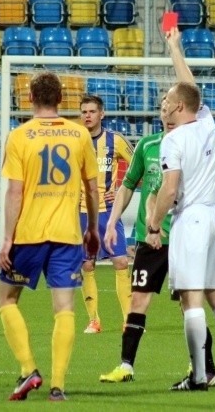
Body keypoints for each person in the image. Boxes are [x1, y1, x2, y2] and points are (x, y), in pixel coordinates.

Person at [98, 104, 215, 389]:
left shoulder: (214, 150)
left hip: (194, 233)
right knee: (174, 299)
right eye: (162, 108)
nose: (166, 113)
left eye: (171, 106)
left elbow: (167, 191)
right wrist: (120, 223)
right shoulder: (149, 146)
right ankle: (130, 364)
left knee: (211, 300)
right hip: (165, 237)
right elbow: (143, 189)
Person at [145, 27, 215, 391]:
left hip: (189, 219)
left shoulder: (171, 140)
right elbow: (190, 87)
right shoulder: (207, 124)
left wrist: (154, 225)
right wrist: (175, 47)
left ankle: (199, 374)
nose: (161, 108)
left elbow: (170, 188)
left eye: (165, 103)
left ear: (176, 108)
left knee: (191, 298)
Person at [0, 71, 99, 402]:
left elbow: (15, 191)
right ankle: (58, 386)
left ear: (29, 99)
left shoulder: (19, 136)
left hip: (28, 233)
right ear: (60, 100)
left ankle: (28, 369)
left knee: (6, 299)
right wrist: (93, 229)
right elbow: (92, 187)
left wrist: (7, 239)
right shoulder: (79, 134)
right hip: (67, 234)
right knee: (65, 308)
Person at [78, 94, 134, 334]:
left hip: (109, 212)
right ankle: (94, 320)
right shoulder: (73, 141)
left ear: (102, 114)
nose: (87, 116)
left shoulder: (115, 141)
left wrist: (120, 189)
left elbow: (138, 166)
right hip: (80, 212)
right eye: (84, 111)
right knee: (87, 265)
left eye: (92, 111)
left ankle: (129, 321)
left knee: (121, 261)